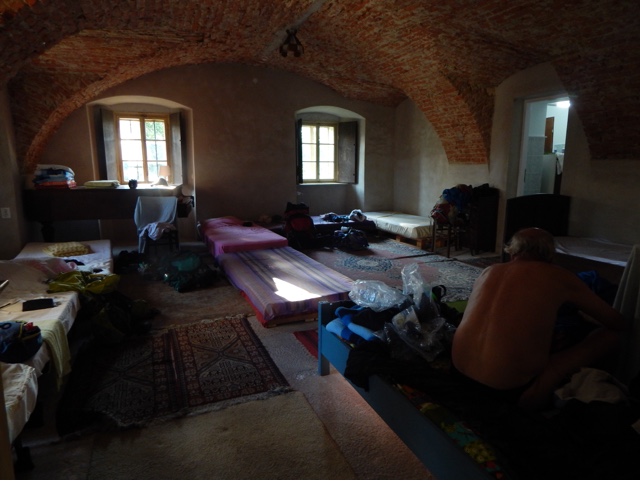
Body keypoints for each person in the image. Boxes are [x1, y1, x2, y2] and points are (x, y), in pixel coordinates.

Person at [451, 227, 627, 411]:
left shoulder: (488, 271)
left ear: (512, 252)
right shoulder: (558, 275)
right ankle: (552, 382)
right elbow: (617, 322)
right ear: (549, 255)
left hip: (458, 375)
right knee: (612, 336)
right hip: (511, 392)